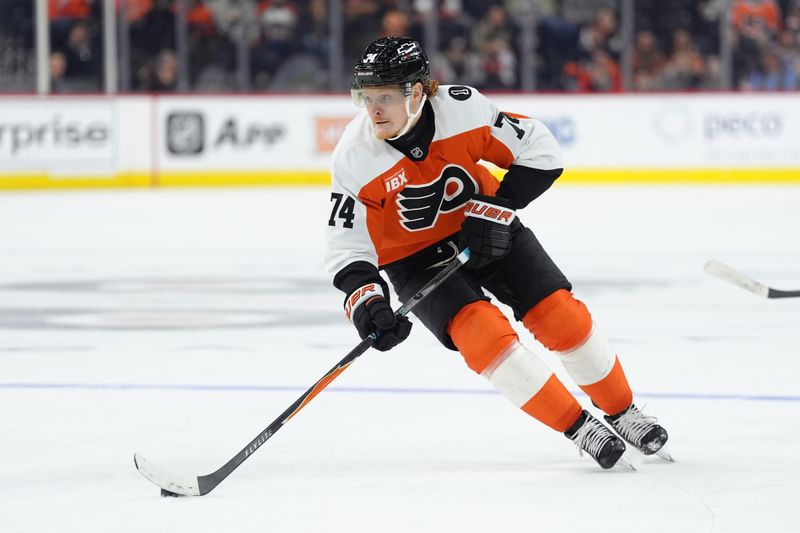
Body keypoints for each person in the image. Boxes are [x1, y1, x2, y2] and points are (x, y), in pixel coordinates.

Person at [324, 36, 671, 469]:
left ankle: (625, 413)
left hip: (489, 226)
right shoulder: (354, 157)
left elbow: (540, 148)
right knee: (484, 336)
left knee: (560, 316)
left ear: (416, 93)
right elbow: (346, 247)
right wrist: (367, 303)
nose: (373, 110)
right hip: (414, 259)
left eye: (385, 97)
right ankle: (580, 428)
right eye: (365, 97)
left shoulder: (463, 108)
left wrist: (497, 209)